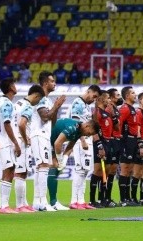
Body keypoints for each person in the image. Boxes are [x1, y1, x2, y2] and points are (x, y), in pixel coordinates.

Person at [30, 71, 66, 211]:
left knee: (42, 167)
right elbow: (45, 117)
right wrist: (56, 106)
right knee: (43, 166)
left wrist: (56, 107)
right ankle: (42, 202)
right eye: (52, 81)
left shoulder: (47, 100)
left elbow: (52, 121)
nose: (54, 83)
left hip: (44, 135)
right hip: (38, 135)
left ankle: (38, 202)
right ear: (45, 83)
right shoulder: (41, 98)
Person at [51, 117, 100, 208]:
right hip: (47, 139)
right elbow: (58, 143)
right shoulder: (72, 128)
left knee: (54, 169)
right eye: (89, 133)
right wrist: (60, 160)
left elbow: (70, 146)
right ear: (87, 126)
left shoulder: (79, 131)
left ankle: (52, 202)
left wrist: (64, 161)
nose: (88, 136)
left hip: (52, 142)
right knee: (48, 168)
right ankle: (48, 202)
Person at [66, 85, 101, 209]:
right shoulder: (78, 103)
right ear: (88, 91)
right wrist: (82, 140)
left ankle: (81, 200)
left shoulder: (86, 105)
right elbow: (76, 124)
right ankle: (74, 201)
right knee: (80, 170)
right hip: (81, 141)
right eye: (94, 96)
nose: (94, 99)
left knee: (86, 170)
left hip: (88, 139)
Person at [14, 84, 45, 212]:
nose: (38, 102)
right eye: (39, 100)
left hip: (16, 140)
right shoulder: (27, 106)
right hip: (21, 142)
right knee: (21, 172)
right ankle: (20, 205)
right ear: (36, 95)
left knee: (23, 172)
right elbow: (22, 124)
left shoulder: (18, 103)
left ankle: (24, 202)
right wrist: (26, 138)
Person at [0, 78, 21, 214]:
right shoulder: (6, 104)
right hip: (6, 142)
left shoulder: (3, 102)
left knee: (8, 170)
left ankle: (3, 204)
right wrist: (16, 143)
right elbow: (6, 124)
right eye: (14, 84)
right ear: (10, 87)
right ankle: (3, 205)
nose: (16, 86)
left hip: (3, 141)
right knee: (9, 170)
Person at [118, 86, 140, 206]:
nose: (135, 95)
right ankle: (123, 199)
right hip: (126, 141)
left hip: (133, 141)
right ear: (127, 96)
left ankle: (128, 198)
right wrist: (121, 141)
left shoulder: (132, 109)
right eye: (133, 93)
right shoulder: (125, 109)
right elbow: (119, 124)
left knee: (130, 170)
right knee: (125, 169)